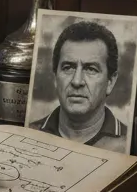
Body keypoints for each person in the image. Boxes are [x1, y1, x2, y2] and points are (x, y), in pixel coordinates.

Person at [34, 20, 127, 153]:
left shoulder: (128, 143)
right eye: (68, 68)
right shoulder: (31, 132)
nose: (77, 81)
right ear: (55, 77)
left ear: (110, 82)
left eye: (91, 69)